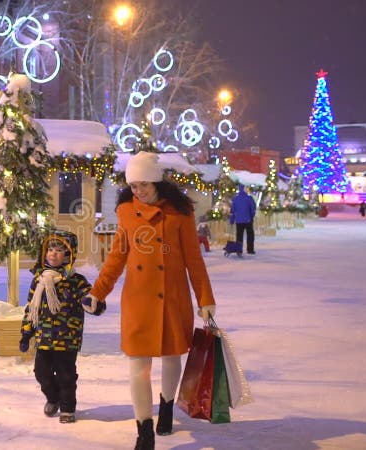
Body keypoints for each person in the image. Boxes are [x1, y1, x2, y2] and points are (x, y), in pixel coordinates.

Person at [82, 152, 216, 449]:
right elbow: (117, 255)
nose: (138, 191)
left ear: (155, 180)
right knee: (138, 367)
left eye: (143, 184)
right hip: (139, 300)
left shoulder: (180, 213)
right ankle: (144, 429)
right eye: (133, 185)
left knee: (171, 357)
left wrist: (205, 298)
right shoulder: (126, 212)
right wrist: (97, 292)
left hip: (173, 297)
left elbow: (194, 259)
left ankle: (166, 406)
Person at [19, 230, 102, 424]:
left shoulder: (76, 281)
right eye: (50, 249)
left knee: (66, 376)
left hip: (67, 338)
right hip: (44, 338)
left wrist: (95, 305)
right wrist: (26, 334)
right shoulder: (39, 280)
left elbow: (90, 298)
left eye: (59, 251)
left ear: (69, 255)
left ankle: (67, 408)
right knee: (41, 373)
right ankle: (53, 398)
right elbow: (31, 308)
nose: (53, 254)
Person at [230, 184, 257, 254]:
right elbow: (253, 209)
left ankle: (239, 250)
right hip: (248, 220)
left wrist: (232, 220)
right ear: (244, 189)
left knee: (239, 235)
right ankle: (250, 250)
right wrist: (251, 216)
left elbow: (232, 210)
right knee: (250, 235)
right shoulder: (249, 198)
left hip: (238, 220)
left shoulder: (235, 199)